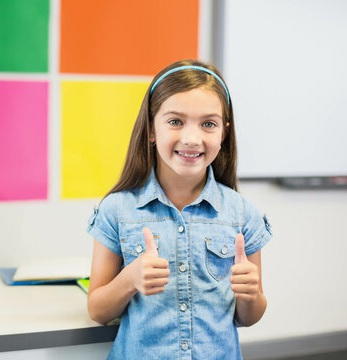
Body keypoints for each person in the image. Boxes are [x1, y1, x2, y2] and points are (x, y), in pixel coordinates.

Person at [86, 59, 272, 359]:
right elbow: (97, 310)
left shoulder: (243, 214)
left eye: (208, 124)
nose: (191, 138)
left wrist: (250, 294)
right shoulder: (116, 210)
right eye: (175, 121)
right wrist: (129, 279)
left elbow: (248, 317)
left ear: (223, 134)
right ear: (151, 129)